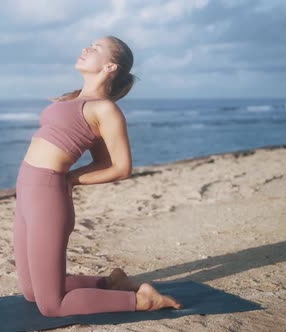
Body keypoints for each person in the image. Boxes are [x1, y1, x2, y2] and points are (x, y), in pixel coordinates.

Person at [12, 35, 183, 317]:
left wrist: (71, 179)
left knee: (51, 306)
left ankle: (143, 301)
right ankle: (112, 284)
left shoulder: (106, 109)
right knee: (31, 293)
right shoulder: (74, 99)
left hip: (47, 195)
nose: (85, 48)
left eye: (96, 48)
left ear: (110, 67)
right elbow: (100, 159)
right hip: (27, 193)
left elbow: (120, 167)